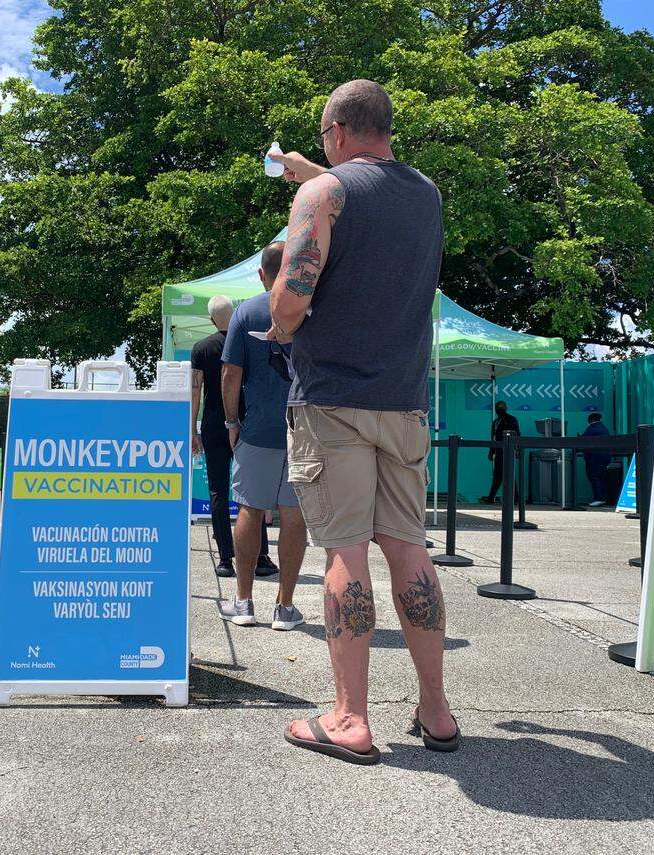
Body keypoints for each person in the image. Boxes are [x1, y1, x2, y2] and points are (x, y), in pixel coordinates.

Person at [267, 79, 458, 763]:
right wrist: (314, 173)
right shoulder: (427, 195)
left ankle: (349, 717)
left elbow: (289, 300)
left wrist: (280, 328)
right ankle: (436, 709)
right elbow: (366, 195)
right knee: (408, 546)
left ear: (338, 130)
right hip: (403, 401)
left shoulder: (320, 196)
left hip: (333, 401)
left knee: (344, 549)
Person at [218, 240, 307, 631]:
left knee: (250, 510)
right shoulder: (311, 309)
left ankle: (244, 602)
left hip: (256, 429)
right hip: (305, 429)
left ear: (261, 274)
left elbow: (230, 375)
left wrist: (231, 423)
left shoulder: (245, 311)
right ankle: (284, 607)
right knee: (294, 515)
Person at [190, 296, 275, 577]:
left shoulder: (201, 348)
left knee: (218, 489)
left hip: (214, 425)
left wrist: (192, 429)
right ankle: (261, 557)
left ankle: (226, 558)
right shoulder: (246, 342)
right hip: (246, 423)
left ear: (212, 319)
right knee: (253, 492)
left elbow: (195, 392)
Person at [481, 400, 521, 505]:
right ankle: (512, 498)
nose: (500, 410)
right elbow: (494, 438)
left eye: (501, 408)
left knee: (505, 475)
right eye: (499, 409)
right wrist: (492, 451)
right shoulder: (496, 422)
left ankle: (495, 498)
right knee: (500, 475)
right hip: (499, 452)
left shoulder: (511, 420)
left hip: (508, 452)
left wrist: (517, 450)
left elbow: (517, 435)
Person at [581, 412, 611, 507]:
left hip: (595, 458)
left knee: (594, 477)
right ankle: (604, 498)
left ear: (590, 420)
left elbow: (583, 440)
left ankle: (599, 498)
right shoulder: (603, 428)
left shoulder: (592, 428)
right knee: (601, 478)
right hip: (604, 457)